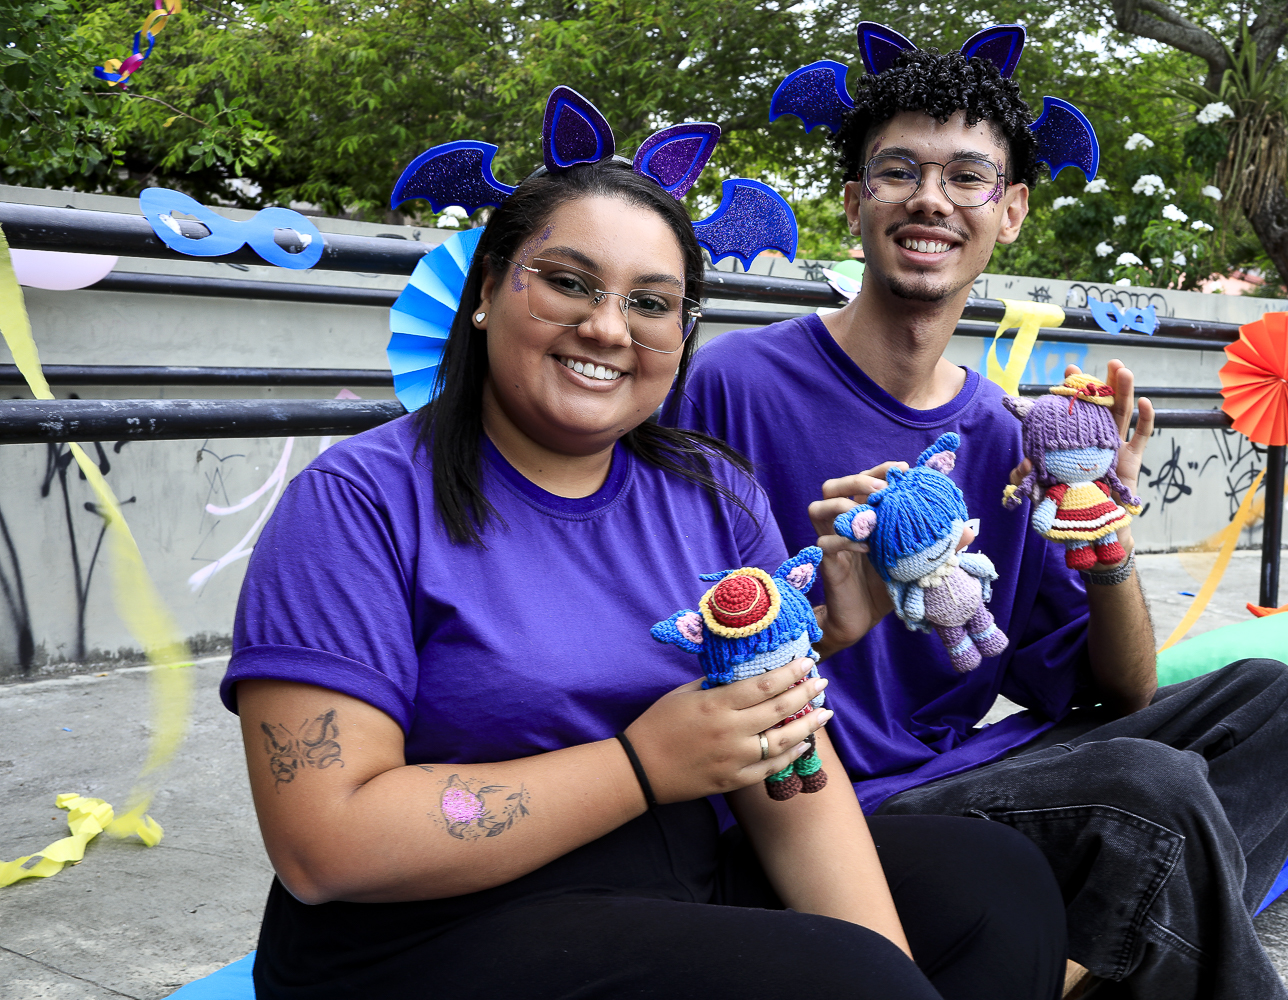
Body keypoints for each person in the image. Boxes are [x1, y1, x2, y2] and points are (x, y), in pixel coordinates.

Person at [220, 128, 1067, 999]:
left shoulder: (714, 493)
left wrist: (891, 972)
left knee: (992, 884)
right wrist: (640, 765)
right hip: (420, 936)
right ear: (485, 293)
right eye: (567, 283)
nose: (606, 327)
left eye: (651, 303)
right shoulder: (355, 502)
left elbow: (785, 758)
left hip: (670, 883)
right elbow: (324, 844)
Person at [665, 43, 1288, 1000]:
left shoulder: (1003, 431)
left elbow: (1124, 692)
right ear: (854, 205)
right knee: (1154, 793)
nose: (930, 198)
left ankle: (1079, 970)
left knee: (1276, 703)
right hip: (823, 806)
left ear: (1010, 212)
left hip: (963, 772)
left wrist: (1100, 526)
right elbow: (682, 638)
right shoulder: (733, 384)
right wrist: (824, 597)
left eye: (967, 177)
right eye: (900, 171)